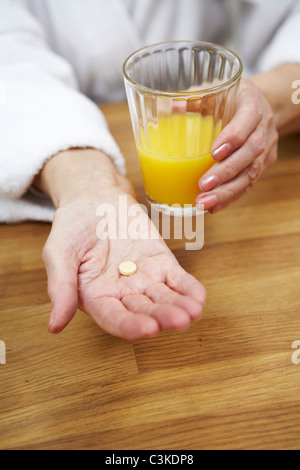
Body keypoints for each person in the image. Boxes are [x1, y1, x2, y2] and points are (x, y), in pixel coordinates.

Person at [0, 0, 299, 341]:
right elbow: (6, 59)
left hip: (214, 116)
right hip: (65, 116)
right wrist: (86, 181)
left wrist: (273, 93)